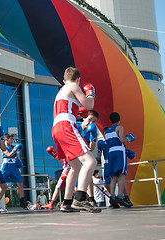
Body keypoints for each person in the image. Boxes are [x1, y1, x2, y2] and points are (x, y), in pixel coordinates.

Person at [51, 67, 100, 213]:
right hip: (66, 125)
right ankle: (79, 199)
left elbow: (74, 107)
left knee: (75, 167)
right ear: (78, 79)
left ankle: (66, 202)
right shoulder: (73, 86)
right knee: (91, 161)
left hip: (56, 128)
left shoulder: (62, 91)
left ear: (64, 80)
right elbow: (90, 105)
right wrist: (90, 92)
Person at [105, 112, 135, 208]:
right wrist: (128, 139)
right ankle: (121, 196)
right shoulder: (119, 127)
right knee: (122, 174)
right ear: (119, 120)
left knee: (113, 176)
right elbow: (122, 139)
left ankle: (112, 196)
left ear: (110, 120)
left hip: (110, 152)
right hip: (119, 151)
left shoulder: (107, 131)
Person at [76, 110, 99, 206]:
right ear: (84, 118)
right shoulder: (76, 126)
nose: (91, 123)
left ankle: (91, 198)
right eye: (89, 120)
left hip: (84, 154)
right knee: (76, 176)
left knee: (88, 174)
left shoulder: (91, 131)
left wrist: (94, 137)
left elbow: (92, 148)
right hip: (75, 155)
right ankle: (76, 199)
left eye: (94, 121)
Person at [1, 133, 26, 209]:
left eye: (12, 139)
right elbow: (8, 155)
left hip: (14, 167)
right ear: (6, 139)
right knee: (0, 184)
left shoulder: (13, 147)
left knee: (20, 184)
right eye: (11, 139)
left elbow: (15, 157)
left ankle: (22, 202)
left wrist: (17, 158)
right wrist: (15, 149)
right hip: (6, 167)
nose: (12, 141)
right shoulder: (3, 147)